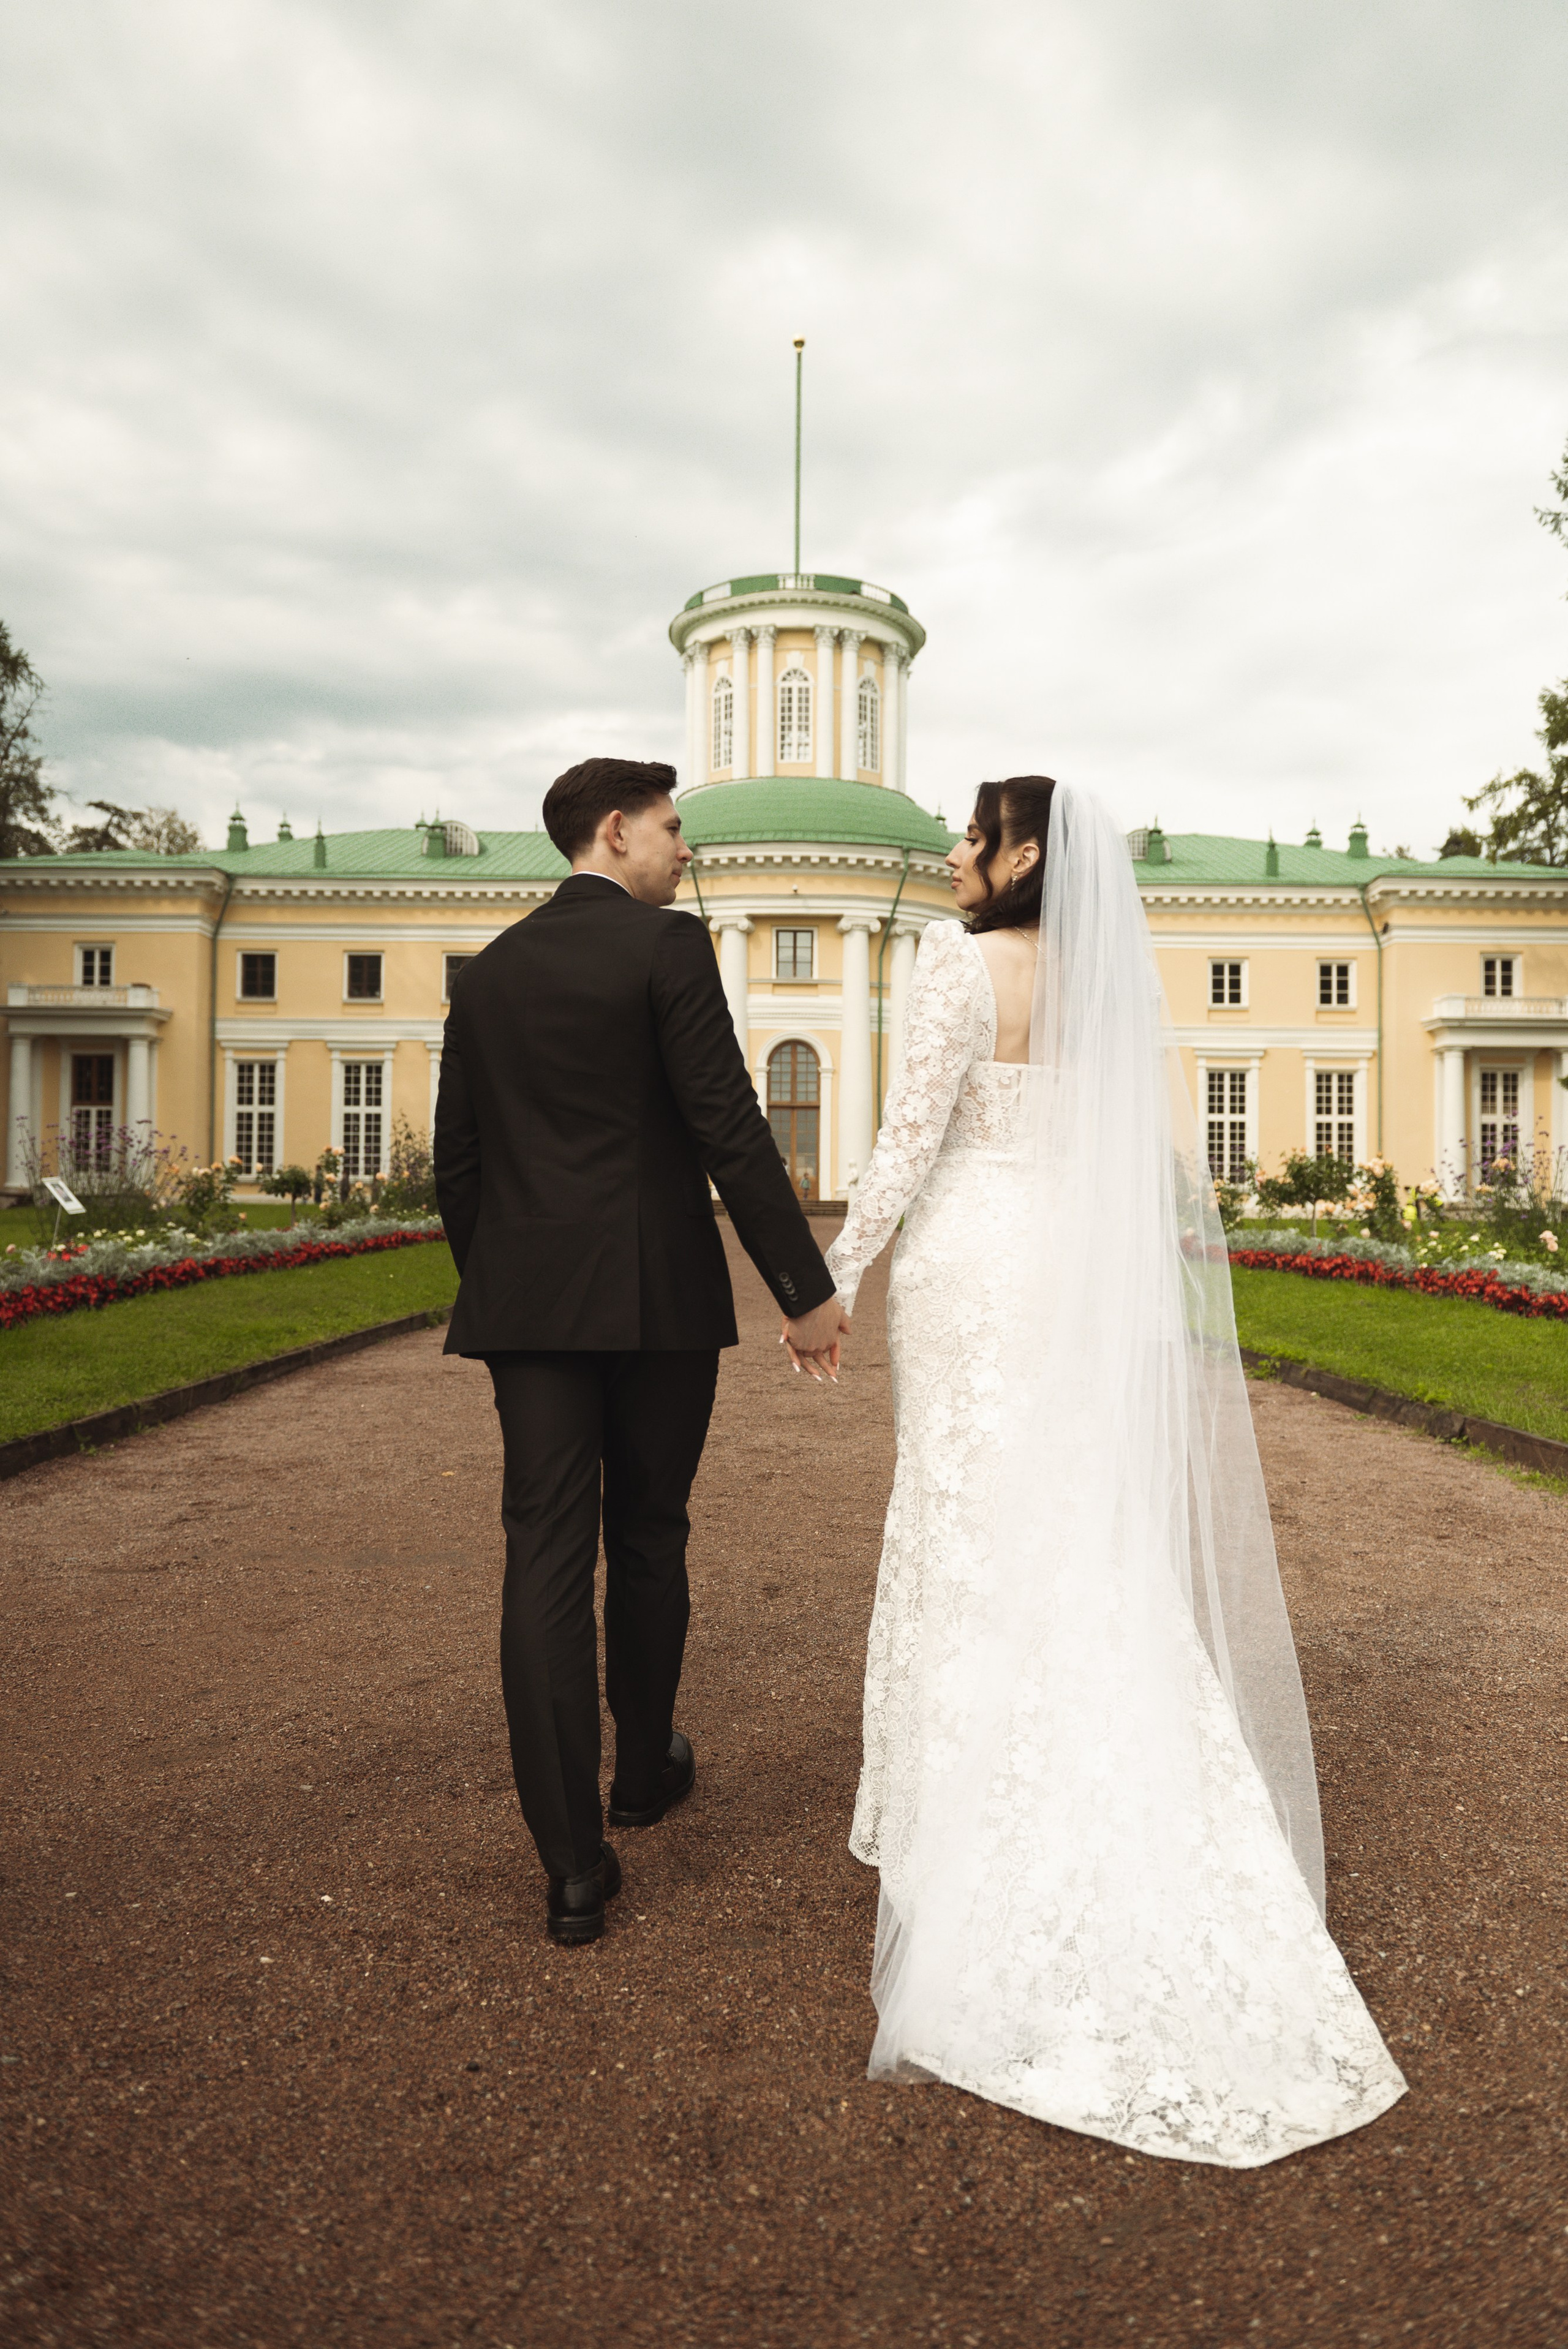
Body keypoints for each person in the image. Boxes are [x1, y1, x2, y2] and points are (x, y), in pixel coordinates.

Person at [820, 775, 1406, 2166]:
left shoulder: (953, 963)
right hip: (1061, 1275)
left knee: (964, 1516)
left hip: (969, 1264)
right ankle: (1109, 1777)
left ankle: (962, 1823)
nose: (954, 854)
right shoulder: (1101, 982)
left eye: (972, 834)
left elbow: (907, 1142)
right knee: (1068, 1520)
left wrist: (831, 1274)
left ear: (1021, 854)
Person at [435, 756, 847, 1947]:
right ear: (612, 834)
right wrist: (801, 1288)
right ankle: (642, 1771)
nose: (684, 850)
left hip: (529, 1308)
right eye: (671, 831)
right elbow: (727, 1124)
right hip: (659, 1297)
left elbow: (456, 1166)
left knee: (543, 1554)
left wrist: (507, 1280)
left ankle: (572, 1862)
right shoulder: (665, 954)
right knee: (650, 1530)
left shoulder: (493, 971)